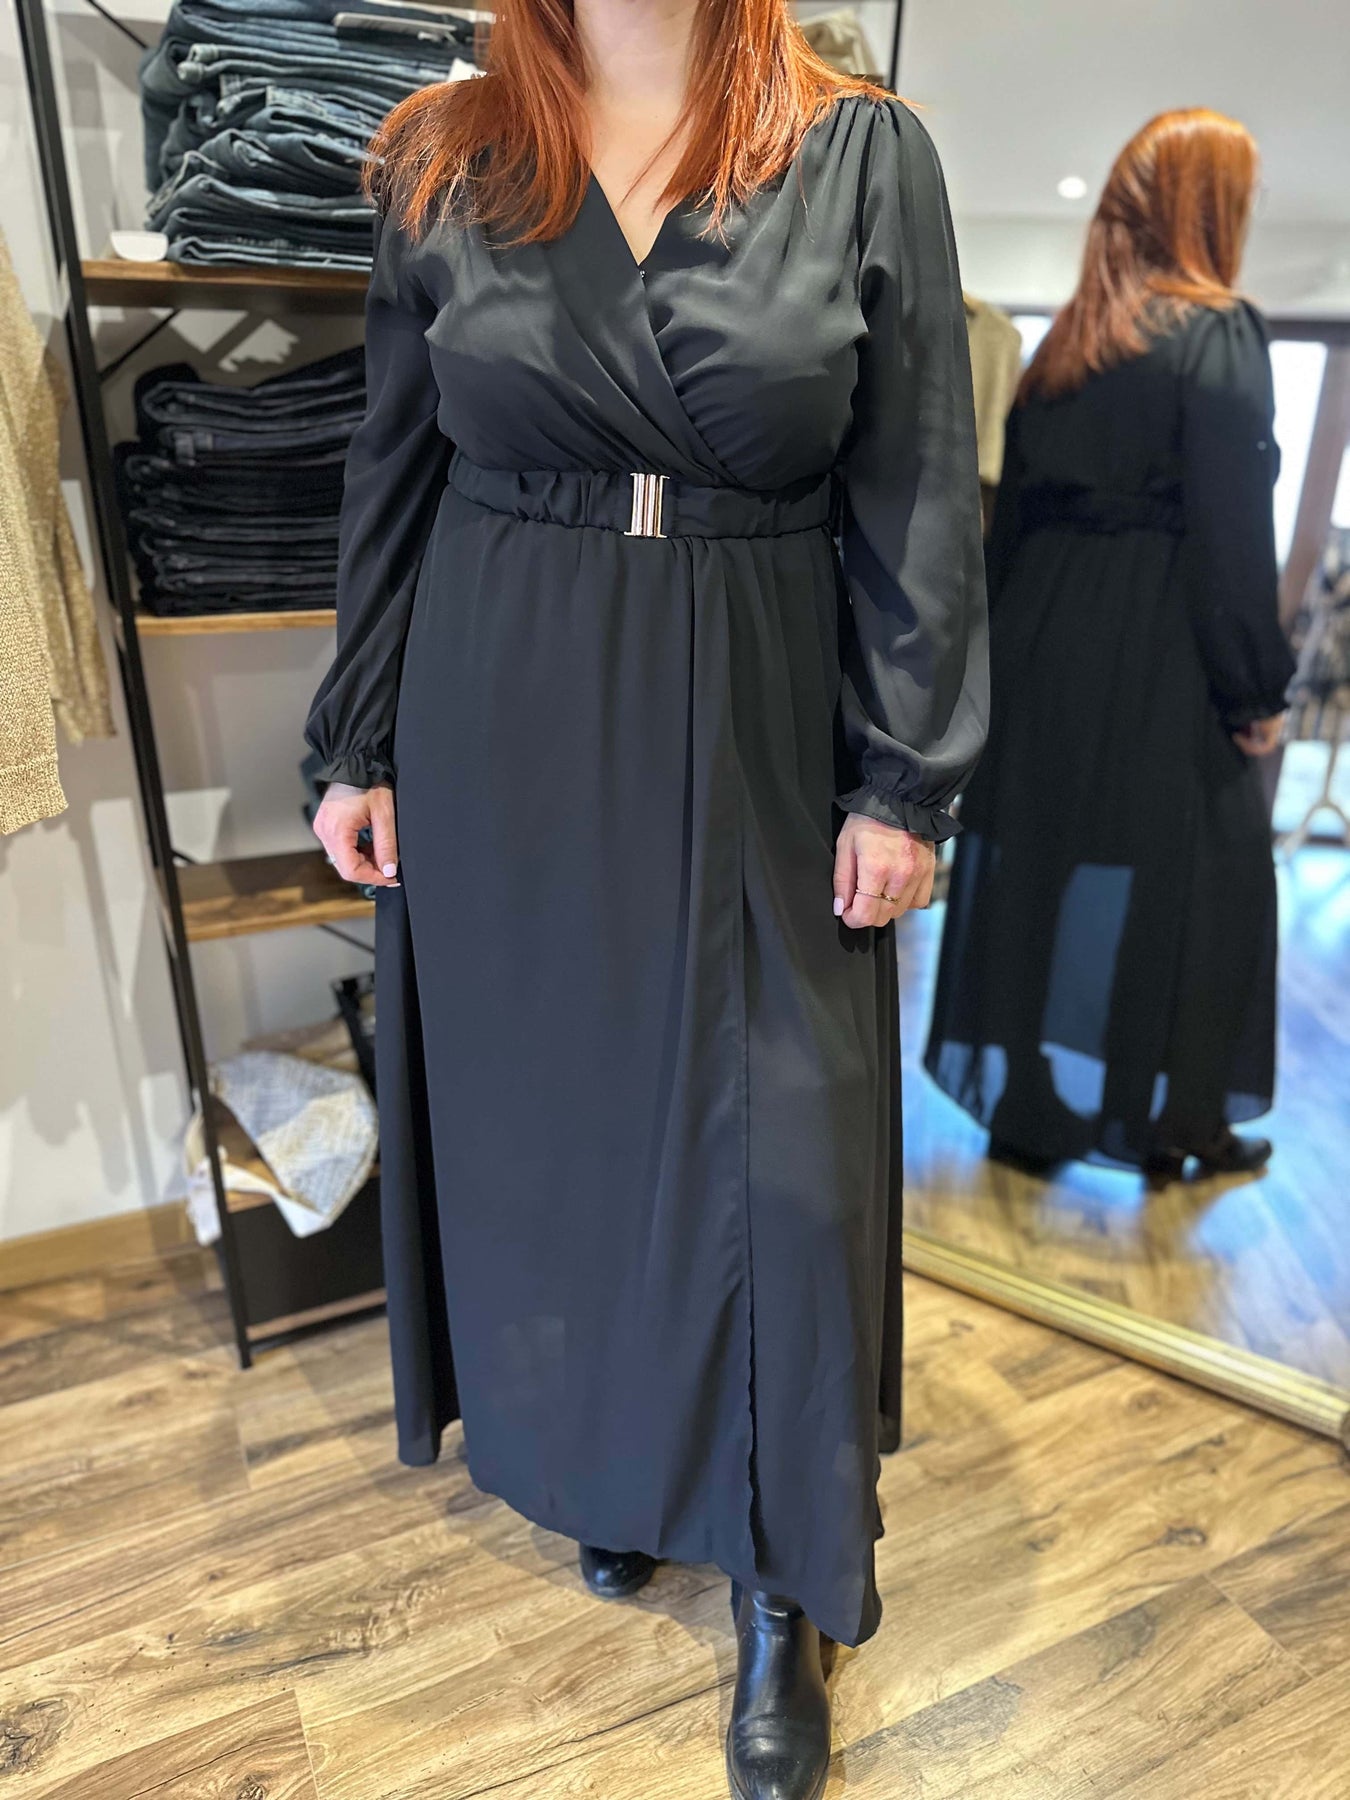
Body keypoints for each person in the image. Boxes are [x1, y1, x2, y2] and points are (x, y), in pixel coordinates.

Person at [304, 0, 987, 1789]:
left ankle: (781, 1583)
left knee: (787, 1158)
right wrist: (354, 739)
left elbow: (917, 484)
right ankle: (619, 1467)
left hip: (760, 688)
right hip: (503, 692)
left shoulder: (857, 151)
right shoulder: (441, 156)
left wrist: (906, 775)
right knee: (566, 1136)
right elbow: (393, 460)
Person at [925, 108, 1294, 1192]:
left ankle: (1026, 1105)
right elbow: (1234, 536)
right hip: (1162, 658)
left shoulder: (1065, 349)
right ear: (1210, 208)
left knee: (1036, 871)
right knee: (1210, 880)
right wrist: (1256, 689)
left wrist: (985, 683)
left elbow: (1008, 533)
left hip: (1041, 653)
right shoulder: (1219, 334)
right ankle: (1175, 1119)